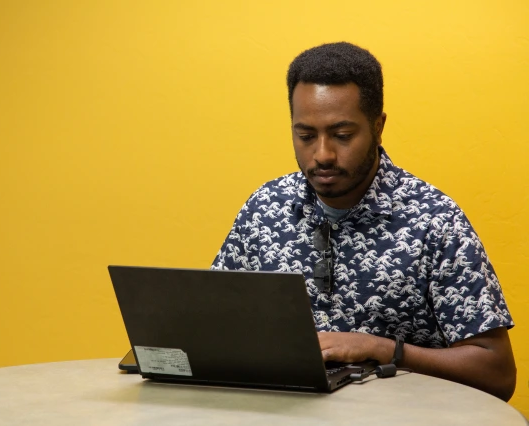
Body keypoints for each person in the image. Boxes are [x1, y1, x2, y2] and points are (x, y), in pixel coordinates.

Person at [211, 42, 516, 401]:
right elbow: (214, 329)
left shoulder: (434, 220)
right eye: (305, 136)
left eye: (342, 136)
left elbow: (497, 373)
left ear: (378, 126)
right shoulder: (265, 207)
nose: (322, 154)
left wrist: (383, 348)